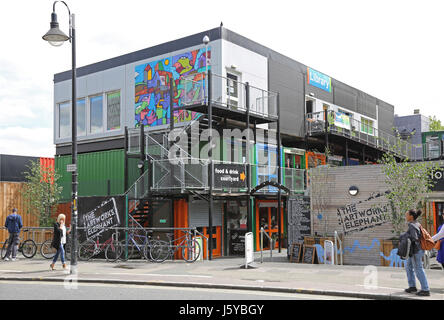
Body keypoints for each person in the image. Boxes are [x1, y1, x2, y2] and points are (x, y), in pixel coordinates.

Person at [404, 209, 430, 296]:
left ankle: (425, 289)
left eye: (406, 215)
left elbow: (414, 238)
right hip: (415, 251)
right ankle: (412, 287)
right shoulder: (417, 223)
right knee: (408, 267)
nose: (405, 216)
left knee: (418, 269)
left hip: (416, 251)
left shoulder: (412, 225)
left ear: (411, 216)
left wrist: (405, 238)